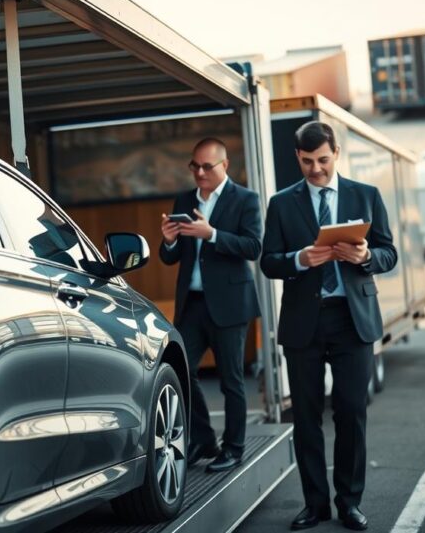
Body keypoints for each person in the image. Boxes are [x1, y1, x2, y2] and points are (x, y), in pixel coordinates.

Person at [260, 121, 397, 531]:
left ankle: (349, 503)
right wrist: (299, 259)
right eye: (307, 162)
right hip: (304, 321)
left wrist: (365, 256)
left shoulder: (366, 195)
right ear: (297, 159)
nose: (316, 169)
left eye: (322, 160)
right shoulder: (282, 204)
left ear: (336, 152)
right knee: (305, 417)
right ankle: (315, 505)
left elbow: (389, 253)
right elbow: (268, 261)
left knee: (352, 411)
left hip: (352, 320)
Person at [159, 137, 262, 473]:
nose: (200, 172)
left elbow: (253, 246)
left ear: (224, 166)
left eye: (207, 166)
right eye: (195, 166)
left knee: (231, 380)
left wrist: (212, 234)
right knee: (180, 370)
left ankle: (233, 449)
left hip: (230, 304)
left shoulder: (245, 199)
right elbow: (170, 257)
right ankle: (203, 437)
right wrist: (169, 240)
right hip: (192, 303)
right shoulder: (185, 199)